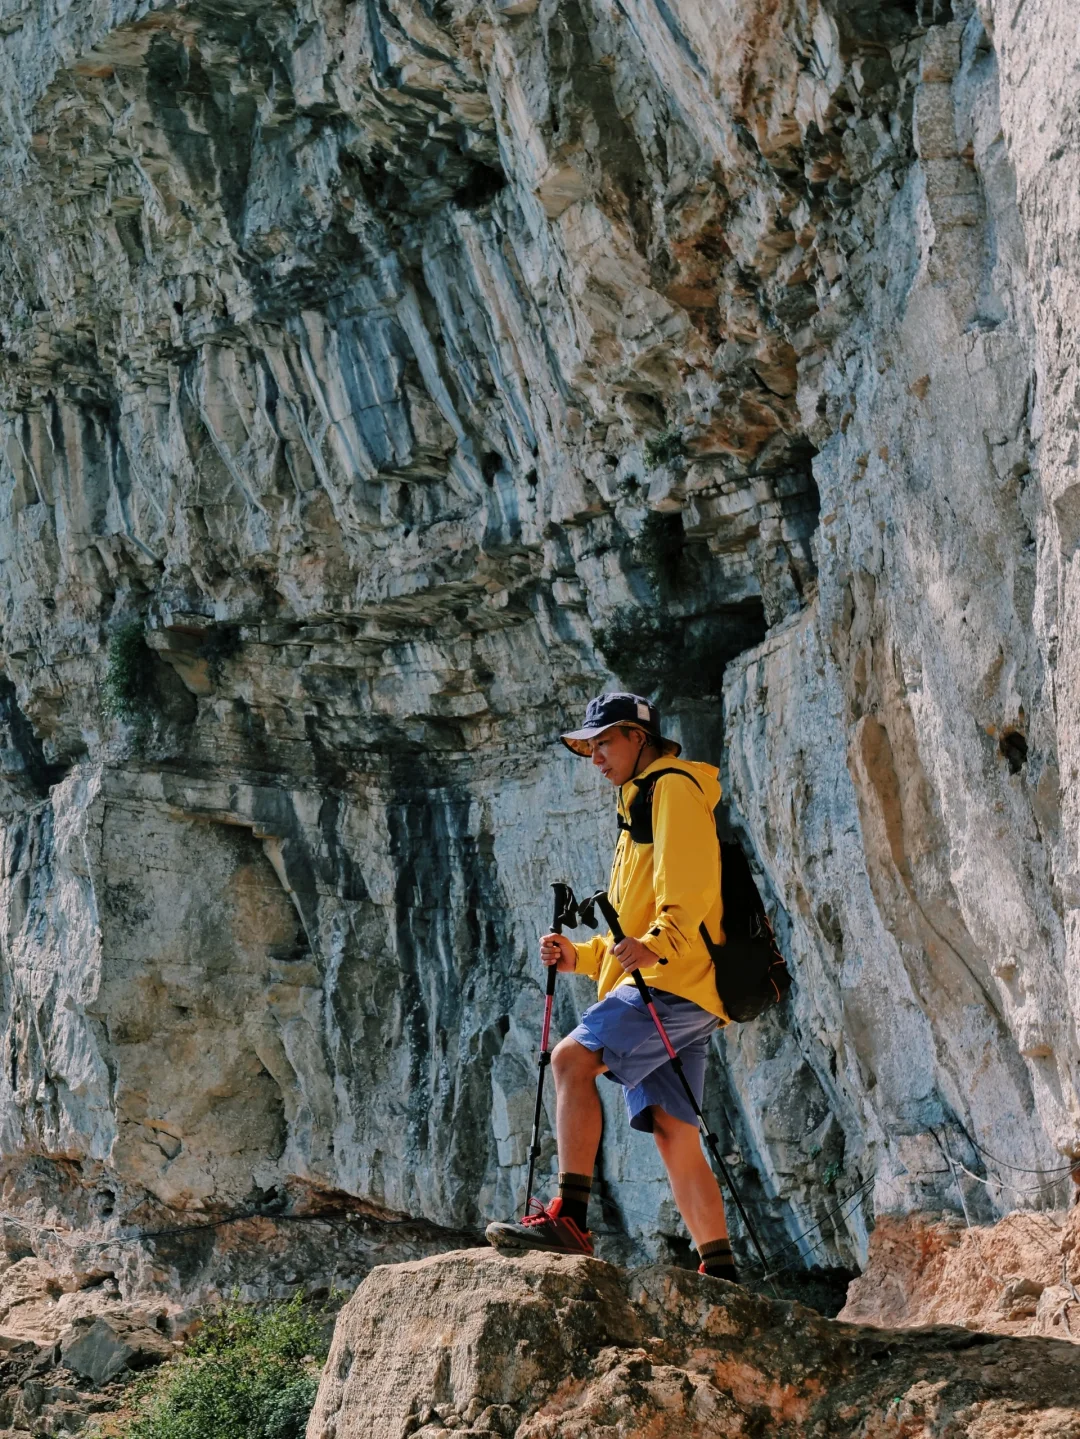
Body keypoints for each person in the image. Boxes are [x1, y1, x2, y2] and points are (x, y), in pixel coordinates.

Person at [486, 692, 737, 1282]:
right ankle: (720, 1271)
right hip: (682, 984)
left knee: (571, 1060)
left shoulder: (671, 786)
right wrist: (582, 955)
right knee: (673, 1129)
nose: (595, 756)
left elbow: (691, 884)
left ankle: (569, 1219)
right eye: (589, 746)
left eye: (604, 742)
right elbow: (631, 928)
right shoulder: (639, 801)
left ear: (638, 738)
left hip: (670, 980)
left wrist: (662, 941)